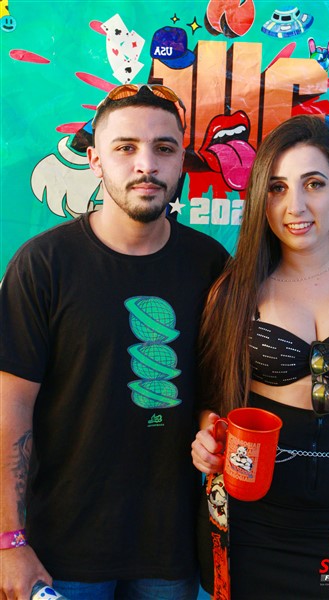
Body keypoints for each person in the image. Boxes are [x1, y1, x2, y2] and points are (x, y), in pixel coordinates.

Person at [0, 84, 229, 599]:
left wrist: (211, 431)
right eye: (126, 147)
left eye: (164, 148)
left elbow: (216, 388)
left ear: (182, 162)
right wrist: (9, 540)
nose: (146, 164)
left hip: (169, 550)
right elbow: (9, 408)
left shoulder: (211, 265)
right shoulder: (43, 265)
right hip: (63, 551)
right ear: (95, 160)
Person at [191, 115, 329, 600]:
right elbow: (211, 401)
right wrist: (207, 437)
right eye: (278, 188)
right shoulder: (235, 289)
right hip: (252, 525)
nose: (296, 206)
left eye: (314, 184)